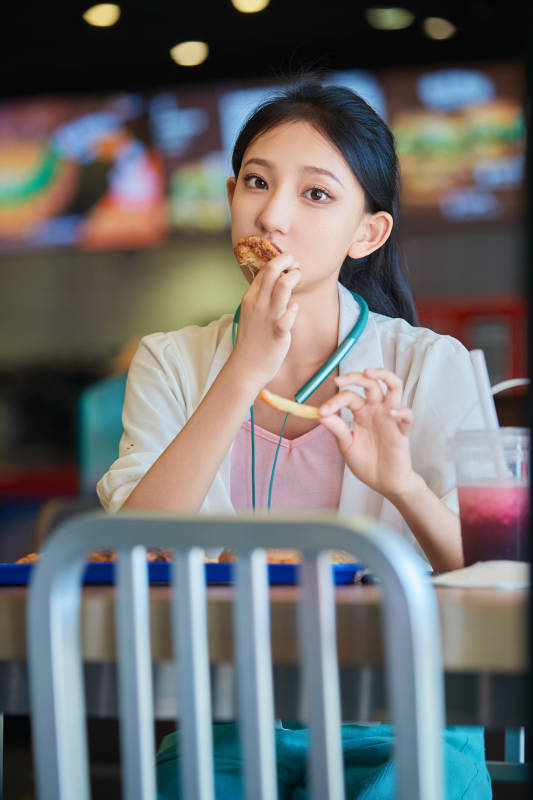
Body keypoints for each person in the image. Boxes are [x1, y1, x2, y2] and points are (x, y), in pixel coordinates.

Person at [97, 81, 491, 798]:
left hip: (402, 711)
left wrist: (398, 482)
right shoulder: (170, 360)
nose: (272, 215)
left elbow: (492, 578)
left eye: (314, 195)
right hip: (226, 716)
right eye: (255, 182)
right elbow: (142, 547)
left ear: (366, 232)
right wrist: (243, 370)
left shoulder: (428, 364)